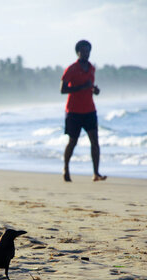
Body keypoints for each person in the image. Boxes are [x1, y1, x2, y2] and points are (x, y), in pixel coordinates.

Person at [60, 40, 107, 182]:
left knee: (95, 141)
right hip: (74, 111)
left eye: (88, 51)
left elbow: (90, 87)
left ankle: (96, 173)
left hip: (89, 110)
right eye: (83, 51)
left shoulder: (92, 68)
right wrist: (81, 87)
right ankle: (66, 168)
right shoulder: (71, 69)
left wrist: (95, 90)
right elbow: (63, 90)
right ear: (78, 52)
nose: (86, 54)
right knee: (73, 141)